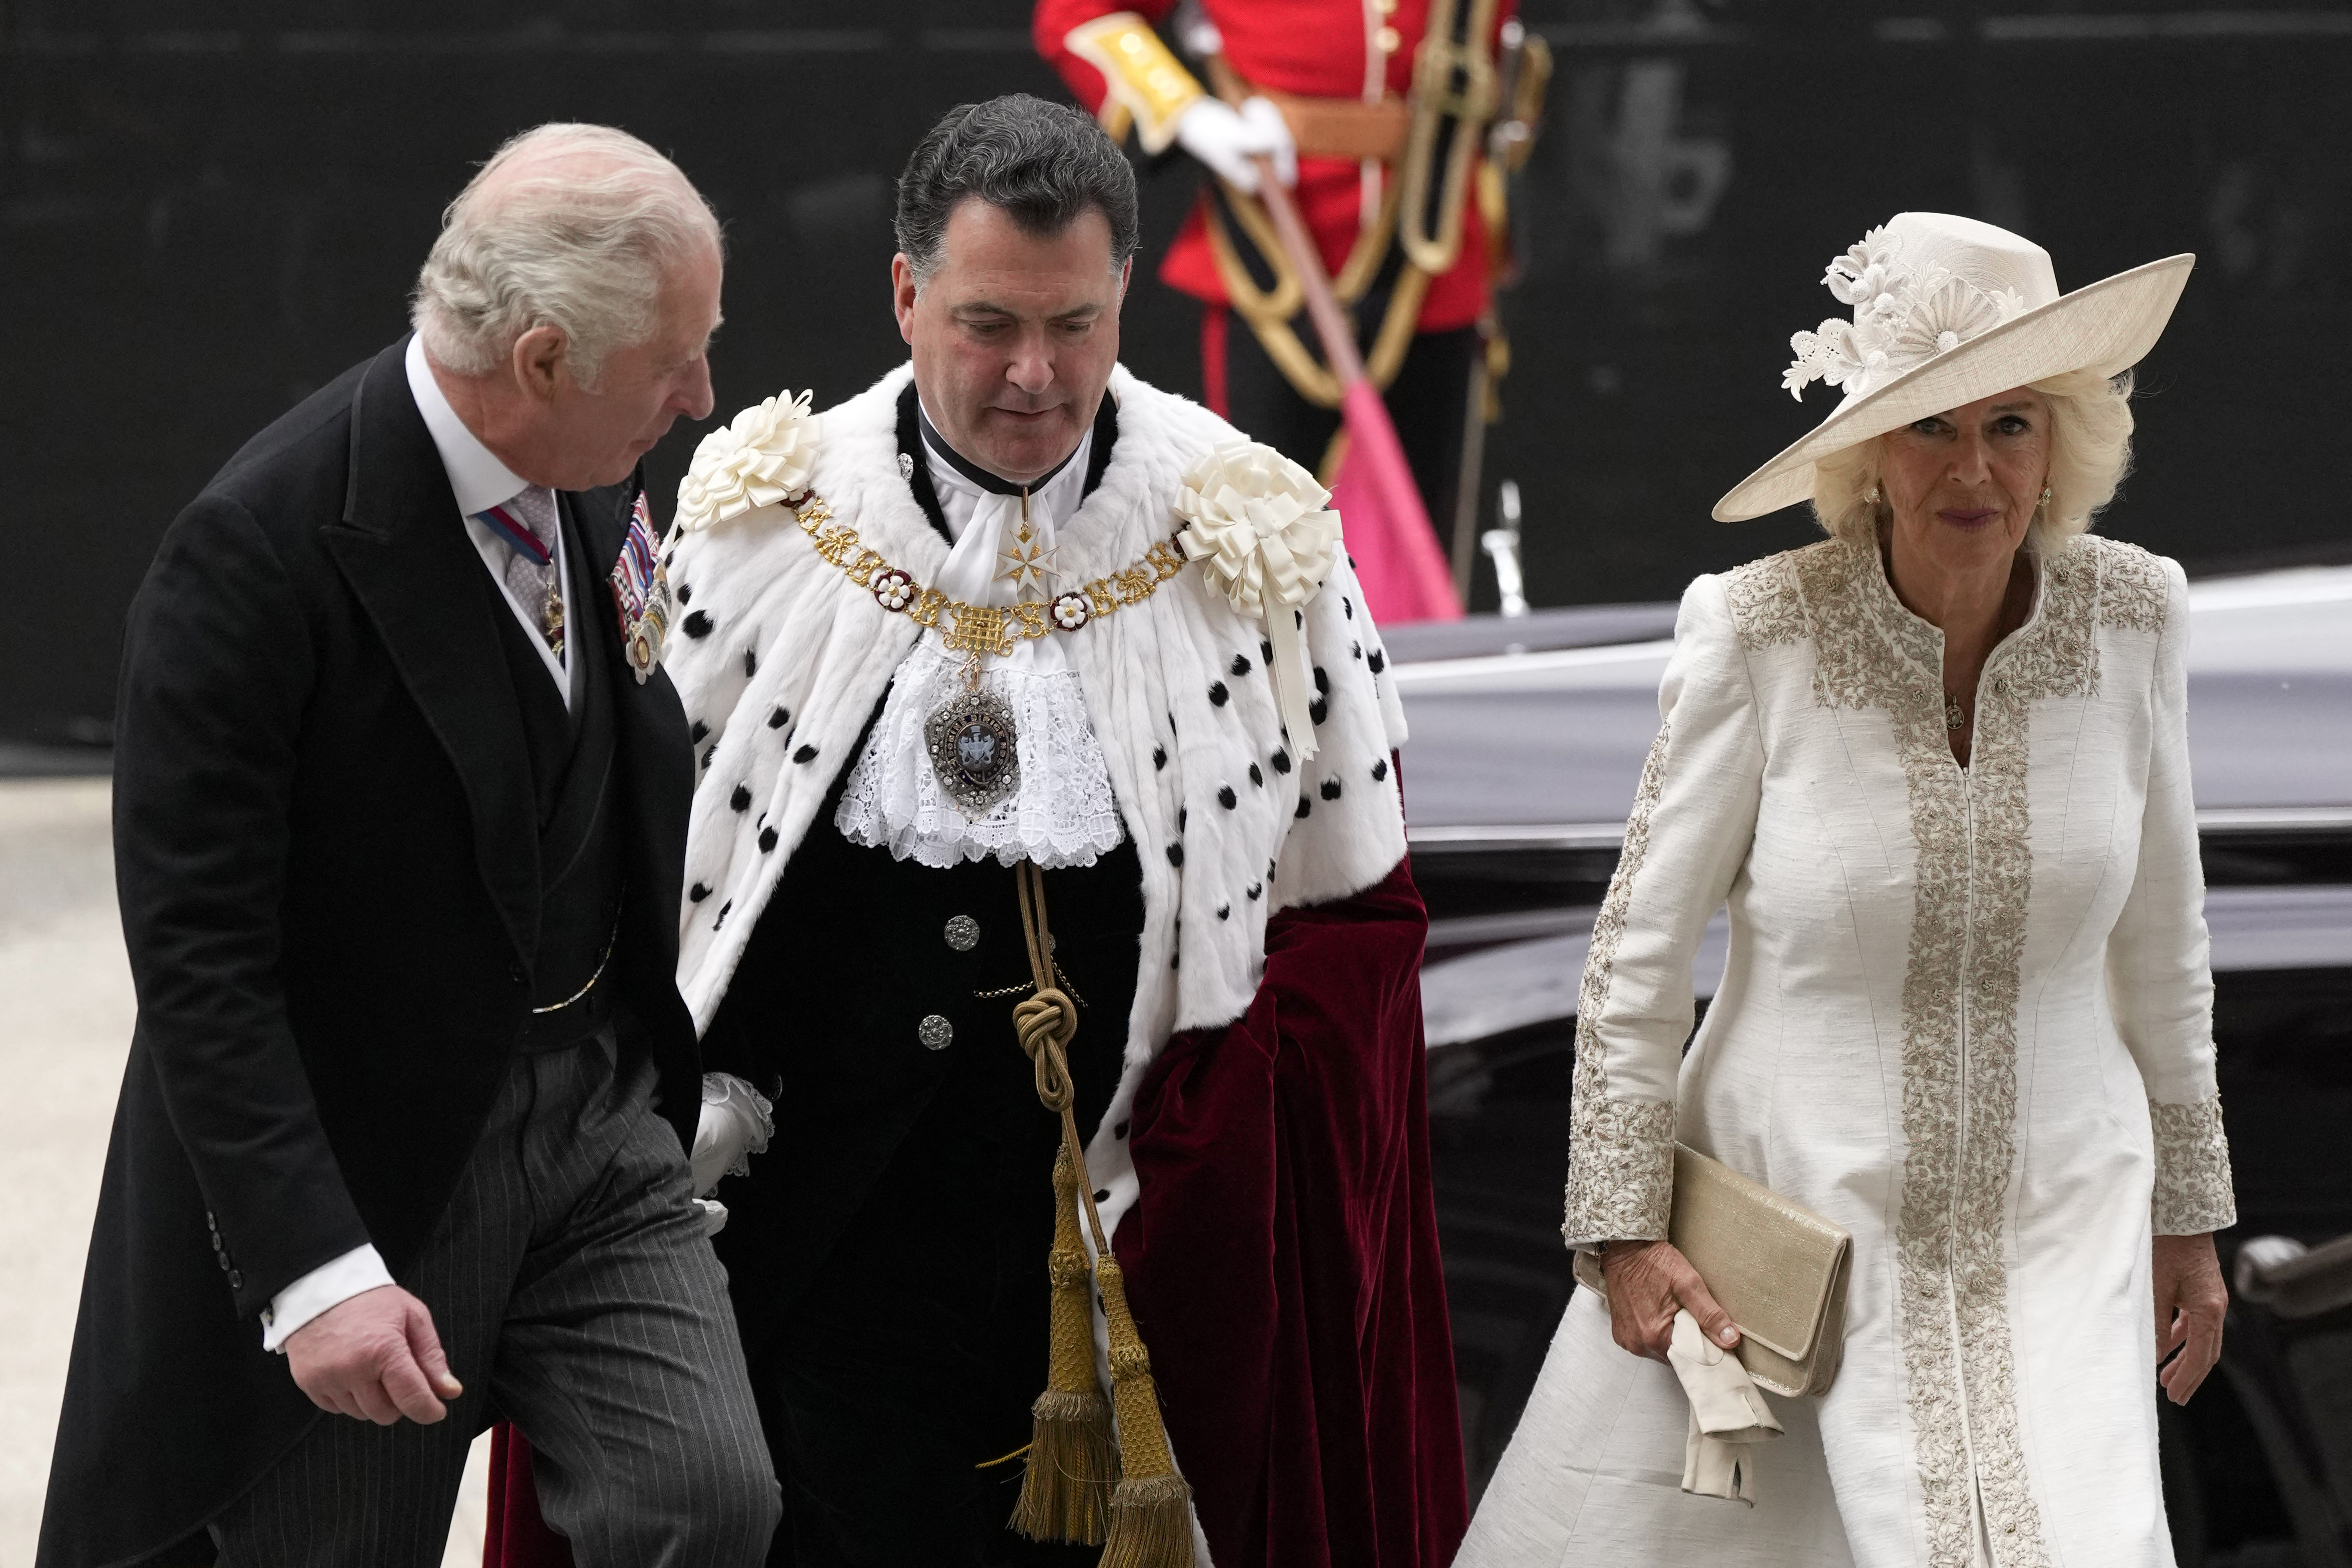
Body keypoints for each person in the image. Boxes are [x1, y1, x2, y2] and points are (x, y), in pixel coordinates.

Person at [486, 92, 1467, 1568]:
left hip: (1130, 1277)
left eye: (1074, 325)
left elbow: (1359, 921)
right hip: (806, 1265)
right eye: (988, 322)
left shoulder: (1258, 537)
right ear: (904, 294)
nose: (1033, 373)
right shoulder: (761, 521)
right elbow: (621, 897)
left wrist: (1232, 1134)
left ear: (1125, 293)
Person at [38, 124, 780, 1567]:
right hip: (367, 1162)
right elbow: (200, 964)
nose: (703, 396)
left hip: (595, 1126)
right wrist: (314, 1271)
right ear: (546, 357)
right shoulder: (257, 552)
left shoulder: (592, 460)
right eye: (675, 360)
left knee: (704, 1496)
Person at [1458, 213, 2233, 1567]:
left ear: (2061, 441)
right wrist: (1624, 1229)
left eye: (2010, 423)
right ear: (1869, 450)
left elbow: (2164, 944)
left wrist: (2190, 1211)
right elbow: (1635, 951)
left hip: (2062, 1224)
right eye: (1931, 425)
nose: (1973, 467)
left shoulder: (2135, 618)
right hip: (1789, 1245)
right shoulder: (1757, 631)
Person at [1031, 0, 1540, 562]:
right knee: (1258, 549)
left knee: (1424, 550)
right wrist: (1184, 113)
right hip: (1273, 245)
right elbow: (1076, 13)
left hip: (1434, 242)